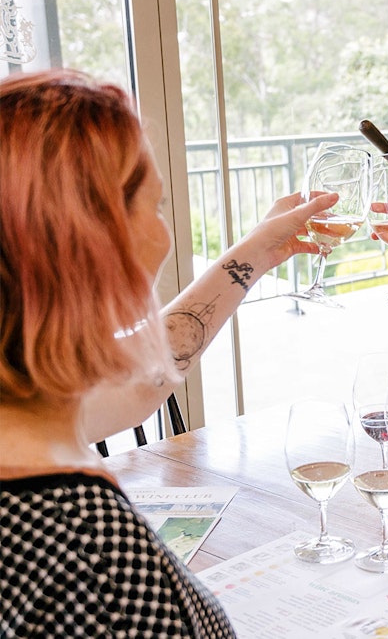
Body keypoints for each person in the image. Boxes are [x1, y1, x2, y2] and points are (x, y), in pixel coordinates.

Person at [0, 69, 337, 637]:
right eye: (155, 206)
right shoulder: (91, 549)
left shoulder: (25, 403)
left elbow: (141, 379)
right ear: (91, 242)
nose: (166, 234)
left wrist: (254, 253)